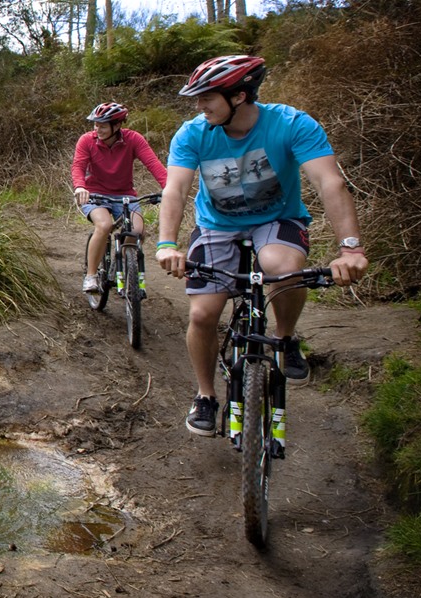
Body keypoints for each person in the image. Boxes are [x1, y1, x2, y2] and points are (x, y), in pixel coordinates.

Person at [153, 55, 368, 437]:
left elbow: (329, 183)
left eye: (207, 98)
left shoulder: (291, 124)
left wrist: (350, 248)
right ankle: (205, 395)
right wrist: (167, 243)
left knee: (280, 268)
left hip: (277, 220)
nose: (199, 107)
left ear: (239, 95)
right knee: (203, 314)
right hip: (216, 224)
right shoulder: (192, 134)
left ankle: (284, 339)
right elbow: (176, 189)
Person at [72, 101, 169, 293]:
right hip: (95, 194)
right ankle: (91, 276)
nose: (97, 129)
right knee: (104, 225)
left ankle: (124, 267)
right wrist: (80, 187)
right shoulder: (87, 140)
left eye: (102, 125)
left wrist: (169, 188)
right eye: (95, 124)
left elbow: (154, 164)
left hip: (124, 195)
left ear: (117, 125)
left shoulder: (133, 139)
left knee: (137, 231)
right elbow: (78, 166)